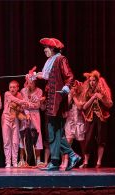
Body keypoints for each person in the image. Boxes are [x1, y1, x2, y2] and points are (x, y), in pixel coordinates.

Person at [29, 37, 81, 171]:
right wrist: (35, 76)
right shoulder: (50, 61)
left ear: (52, 49)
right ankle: (63, 158)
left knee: (53, 132)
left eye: (46, 48)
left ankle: (63, 158)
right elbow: (47, 76)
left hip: (57, 101)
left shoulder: (60, 59)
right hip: (52, 101)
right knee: (55, 132)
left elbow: (69, 76)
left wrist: (67, 86)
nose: (44, 50)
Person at [81, 70, 113, 168]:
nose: (92, 82)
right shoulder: (87, 92)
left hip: (101, 117)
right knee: (88, 139)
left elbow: (110, 104)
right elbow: (84, 107)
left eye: (94, 80)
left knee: (101, 139)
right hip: (90, 118)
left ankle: (98, 162)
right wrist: (93, 97)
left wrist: (101, 98)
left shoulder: (103, 92)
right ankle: (86, 162)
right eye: (90, 81)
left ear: (98, 81)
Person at [18, 78, 45, 167]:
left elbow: (37, 105)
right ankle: (22, 159)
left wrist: (28, 105)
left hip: (35, 115)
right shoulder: (23, 91)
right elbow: (22, 104)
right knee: (23, 134)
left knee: (37, 135)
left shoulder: (39, 91)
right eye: (28, 82)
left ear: (35, 83)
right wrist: (27, 110)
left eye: (32, 82)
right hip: (25, 114)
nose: (30, 84)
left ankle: (38, 160)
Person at [2, 80, 28, 168]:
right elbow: (14, 100)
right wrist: (23, 102)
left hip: (15, 119)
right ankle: (8, 162)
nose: (12, 89)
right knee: (7, 141)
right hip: (6, 118)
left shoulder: (20, 95)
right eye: (10, 87)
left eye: (14, 87)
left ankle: (14, 161)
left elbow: (21, 108)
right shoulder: (7, 93)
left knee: (15, 141)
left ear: (17, 88)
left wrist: (22, 106)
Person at [61, 80, 86, 169]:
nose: (73, 88)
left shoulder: (82, 95)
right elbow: (65, 107)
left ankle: (85, 161)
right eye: (72, 87)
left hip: (79, 122)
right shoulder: (69, 96)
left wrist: (74, 96)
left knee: (83, 142)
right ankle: (65, 161)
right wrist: (70, 96)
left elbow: (80, 106)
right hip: (69, 121)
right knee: (67, 143)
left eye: (75, 86)